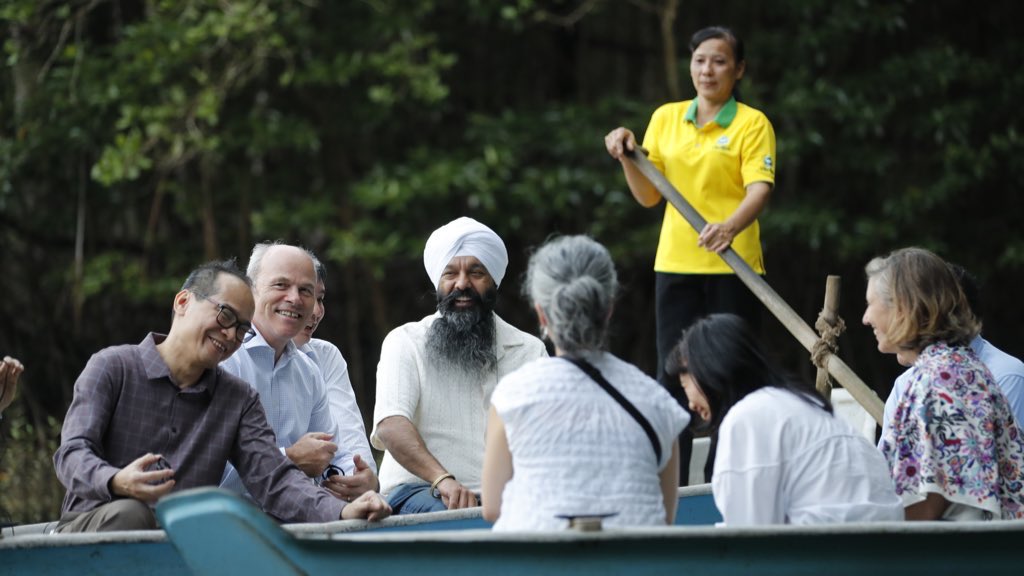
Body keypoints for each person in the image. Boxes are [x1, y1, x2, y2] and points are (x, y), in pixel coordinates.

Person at [52, 260, 390, 532]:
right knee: (132, 514)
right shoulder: (113, 367)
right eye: (225, 315)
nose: (230, 334)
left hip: (186, 541)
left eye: (242, 328)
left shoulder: (238, 399)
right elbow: (72, 453)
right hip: (92, 532)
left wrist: (342, 511)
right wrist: (115, 480)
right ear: (183, 302)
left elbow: (275, 479)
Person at [605, 26, 776, 485]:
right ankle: (673, 487)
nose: (707, 70)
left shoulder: (752, 123)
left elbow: (759, 189)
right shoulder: (665, 118)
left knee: (731, 375)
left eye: (719, 61)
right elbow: (648, 196)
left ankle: (729, 481)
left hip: (734, 266)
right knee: (673, 376)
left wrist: (729, 227)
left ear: (738, 70)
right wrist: (628, 157)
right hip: (676, 265)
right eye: (700, 60)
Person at [482, 235, 689, 530]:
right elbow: (665, 517)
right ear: (609, 309)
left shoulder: (511, 396)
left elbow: (492, 507)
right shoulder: (660, 402)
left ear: (541, 313)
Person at [372, 217, 547, 514]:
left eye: (476, 273)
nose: (462, 284)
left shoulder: (529, 351)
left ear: (494, 281)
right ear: (438, 283)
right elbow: (390, 425)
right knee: (451, 516)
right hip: (420, 492)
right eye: (450, 273)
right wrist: (442, 479)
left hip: (504, 498)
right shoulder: (405, 342)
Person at [665, 313, 902, 526]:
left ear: (709, 371)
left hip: (830, 551)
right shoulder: (806, 406)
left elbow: (746, 535)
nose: (690, 404)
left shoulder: (747, 417)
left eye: (686, 385)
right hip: (885, 548)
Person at [864, 247, 1024, 520]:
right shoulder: (957, 368)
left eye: (870, 303)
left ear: (903, 308)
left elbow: (928, 505)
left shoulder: (940, 381)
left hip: (959, 547)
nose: (866, 318)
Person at [220, 242, 377, 503]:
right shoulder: (224, 358)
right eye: (281, 285)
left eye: (306, 290)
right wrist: (288, 458)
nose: (295, 298)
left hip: (300, 513)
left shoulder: (309, 371)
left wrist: (358, 478)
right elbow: (206, 470)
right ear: (250, 290)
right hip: (226, 516)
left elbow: (334, 451)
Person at [880, 264, 1024, 441]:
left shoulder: (1006, 376)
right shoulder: (903, 385)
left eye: (904, 312)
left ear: (936, 317)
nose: (868, 319)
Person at [294, 256, 378, 477]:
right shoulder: (234, 356)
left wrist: (364, 478)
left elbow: (348, 434)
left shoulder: (325, 356)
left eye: (320, 299)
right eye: (305, 294)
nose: (315, 311)